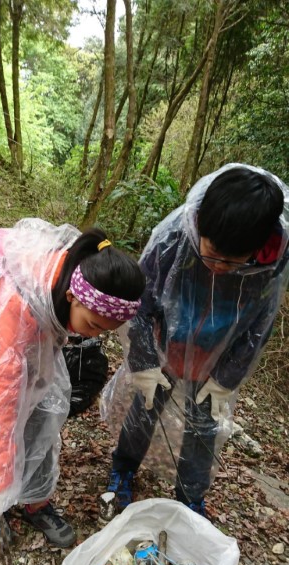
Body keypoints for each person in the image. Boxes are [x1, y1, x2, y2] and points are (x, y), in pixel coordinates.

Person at [0, 218, 145, 549]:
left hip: (32, 323)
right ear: (72, 296)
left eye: (104, 331)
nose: (94, 335)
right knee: (5, 410)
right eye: (93, 324)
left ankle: (35, 499)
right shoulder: (17, 310)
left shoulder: (68, 281)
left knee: (44, 409)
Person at [101, 164, 289, 516]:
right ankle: (123, 469)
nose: (218, 265)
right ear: (202, 223)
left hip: (214, 363)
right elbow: (139, 303)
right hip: (164, 348)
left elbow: (259, 328)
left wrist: (225, 381)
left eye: (232, 261)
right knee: (143, 411)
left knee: (203, 432)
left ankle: (190, 499)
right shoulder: (174, 238)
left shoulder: (273, 262)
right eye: (212, 252)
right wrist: (144, 363)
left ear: (257, 247)